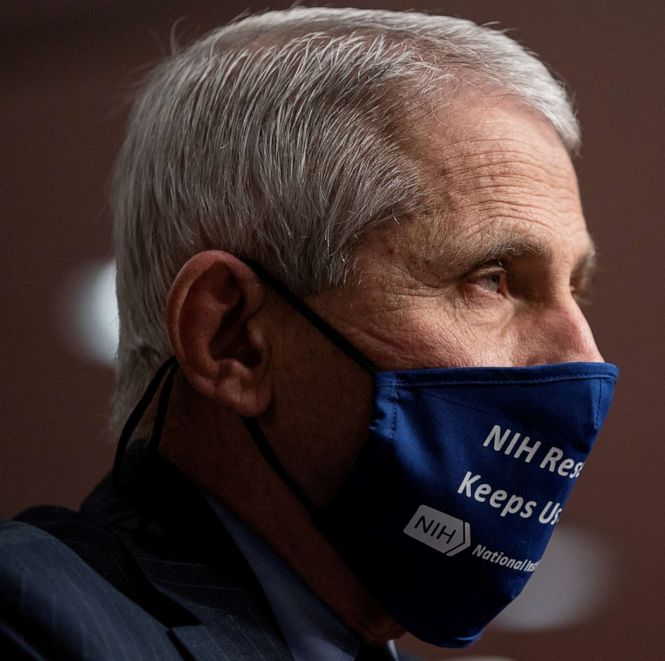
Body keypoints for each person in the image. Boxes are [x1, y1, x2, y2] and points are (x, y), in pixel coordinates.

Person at [0, 7, 618, 660]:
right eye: (492, 279)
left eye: (574, 290)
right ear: (233, 338)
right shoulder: (31, 623)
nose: (584, 355)